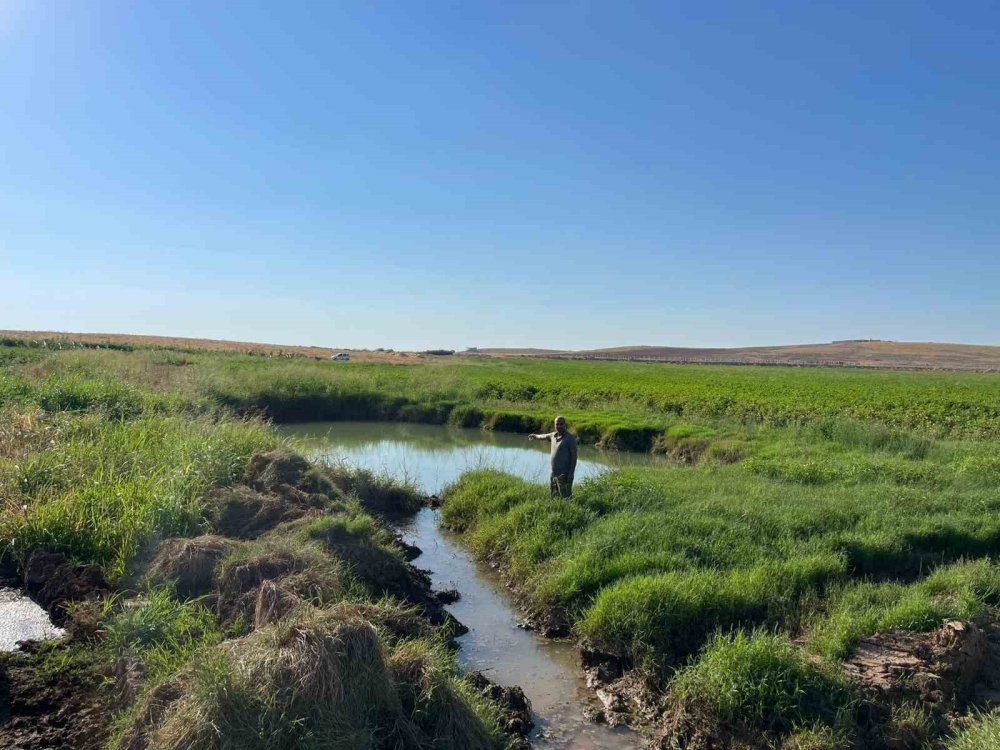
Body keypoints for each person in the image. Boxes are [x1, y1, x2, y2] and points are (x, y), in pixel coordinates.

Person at [529, 415, 578, 498]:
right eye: (557, 424)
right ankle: (556, 510)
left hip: (564, 475)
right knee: (554, 495)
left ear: (565, 425)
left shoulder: (570, 439)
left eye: (561, 424)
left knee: (566, 497)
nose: (559, 426)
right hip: (553, 473)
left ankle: (568, 510)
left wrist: (571, 474)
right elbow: (543, 436)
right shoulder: (553, 435)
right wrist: (535, 436)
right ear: (554, 425)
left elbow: (574, 458)